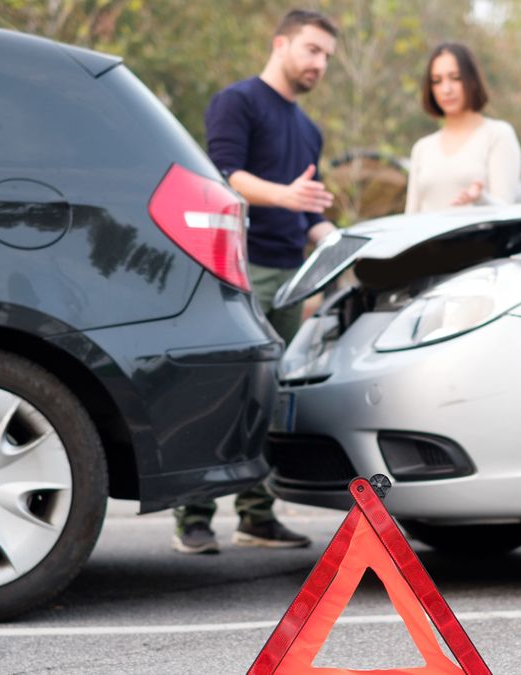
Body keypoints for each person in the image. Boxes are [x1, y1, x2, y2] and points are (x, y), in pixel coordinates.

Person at [172, 9, 339, 555]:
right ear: (281, 43)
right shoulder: (237, 102)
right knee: (221, 390)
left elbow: (307, 213)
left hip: (290, 277)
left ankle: (256, 516)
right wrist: (285, 196)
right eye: (312, 50)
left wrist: (332, 236)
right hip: (234, 269)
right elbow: (222, 177)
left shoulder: (309, 128)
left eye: (327, 57)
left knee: (269, 398)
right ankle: (193, 516)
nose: (320, 64)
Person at [404, 42, 521, 214]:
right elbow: (411, 218)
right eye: (437, 81)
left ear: (472, 80)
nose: (446, 89)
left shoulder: (497, 135)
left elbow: (506, 213)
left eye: (455, 78)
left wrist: (480, 199)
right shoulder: (422, 148)